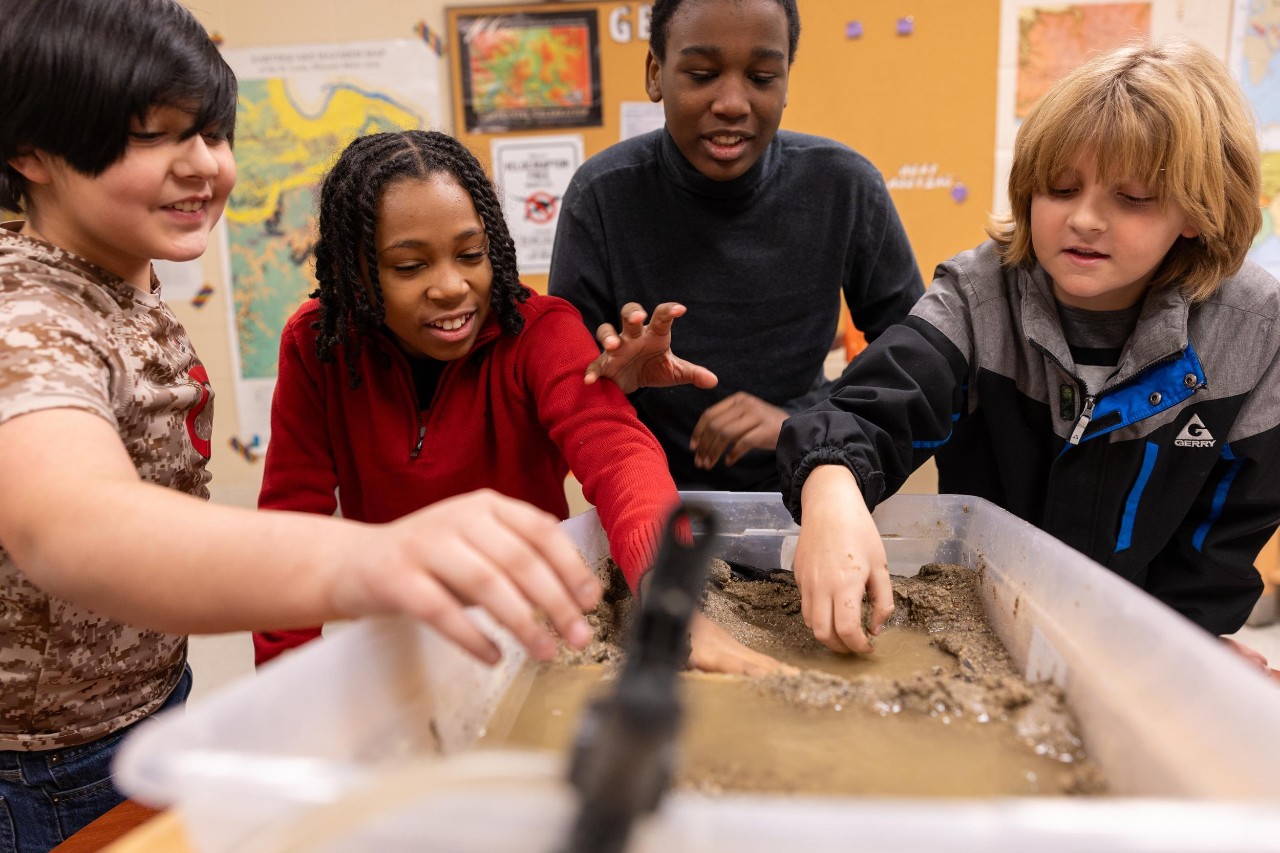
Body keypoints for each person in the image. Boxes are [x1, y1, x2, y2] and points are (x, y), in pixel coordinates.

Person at [0, 3, 601, 849]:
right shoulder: (27, 315)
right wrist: (378, 553)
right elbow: (69, 522)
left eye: (213, 133)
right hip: (48, 769)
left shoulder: (117, 283)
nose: (203, 165)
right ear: (29, 149)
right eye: (154, 136)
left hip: (140, 706)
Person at [775, 39, 1280, 673]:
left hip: (1136, 648)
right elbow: (873, 408)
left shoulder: (1256, 330)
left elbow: (1222, 543)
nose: (1085, 219)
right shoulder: (977, 294)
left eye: (1133, 198)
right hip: (984, 631)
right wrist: (832, 492)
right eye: (1061, 189)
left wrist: (1182, 651)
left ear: (1197, 210)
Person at [249, 130, 783, 678]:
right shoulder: (318, 344)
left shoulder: (542, 333)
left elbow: (621, 457)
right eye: (410, 266)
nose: (451, 286)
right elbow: (290, 524)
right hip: (400, 634)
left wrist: (675, 608)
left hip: (532, 624)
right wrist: (284, 682)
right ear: (355, 273)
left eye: (471, 254)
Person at [547, 0, 924, 493]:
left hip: (812, 479)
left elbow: (917, 363)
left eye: (763, 77)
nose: (732, 102)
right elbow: (563, 389)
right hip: (651, 493)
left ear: (787, 80)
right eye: (702, 74)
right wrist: (612, 384)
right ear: (656, 73)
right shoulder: (599, 196)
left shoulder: (844, 185)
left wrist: (803, 423)